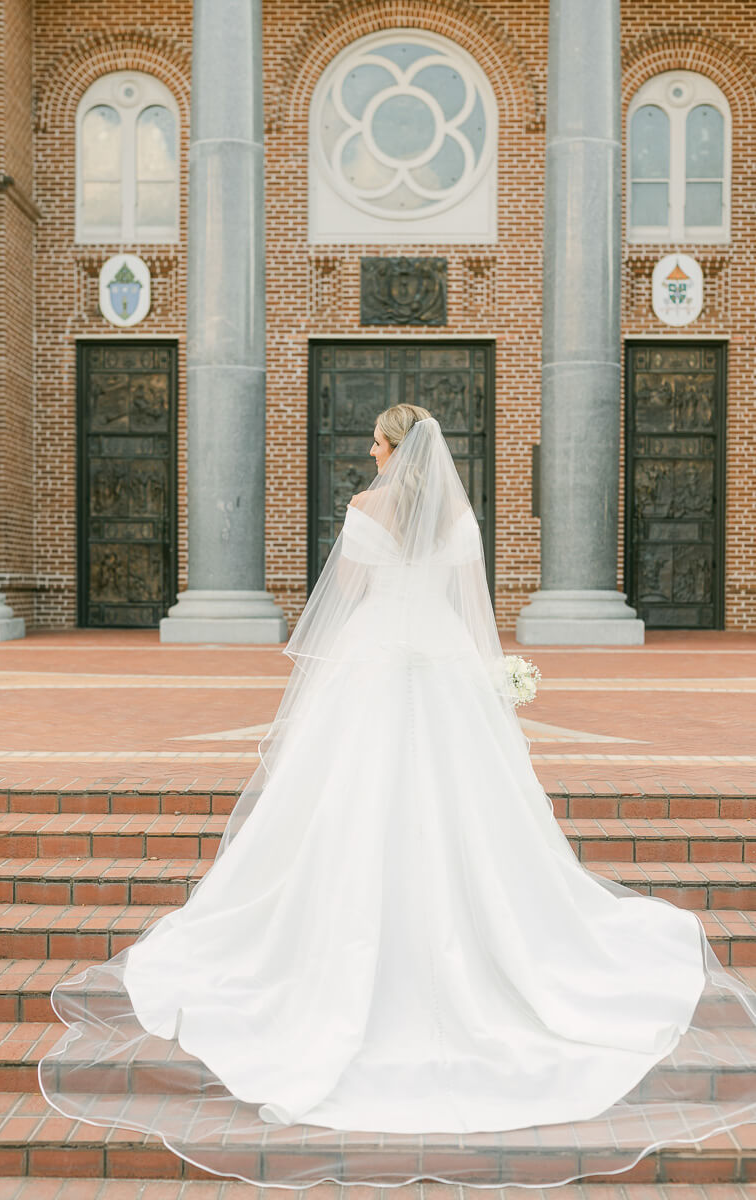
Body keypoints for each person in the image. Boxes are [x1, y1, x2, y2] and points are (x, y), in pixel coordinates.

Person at [39, 404, 756, 1188]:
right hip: (443, 663)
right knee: (465, 811)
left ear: (387, 450)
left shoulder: (364, 509)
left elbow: (346, 592)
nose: (372, 457)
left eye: (374, 446)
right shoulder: (459, 513)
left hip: (373, 662)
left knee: (348, 805)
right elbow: (467, 605)